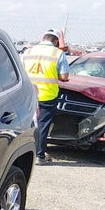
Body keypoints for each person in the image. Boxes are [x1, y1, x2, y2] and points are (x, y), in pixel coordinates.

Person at [23, 30, 70, 164]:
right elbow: (64, 76)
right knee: (42, 125)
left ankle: (24, 153)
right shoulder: (58, 53)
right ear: (56, 41)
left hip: (29, 94)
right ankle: (39, 156)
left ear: (43, 38)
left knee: (26, 124)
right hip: (47, 95)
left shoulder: (28, 52)